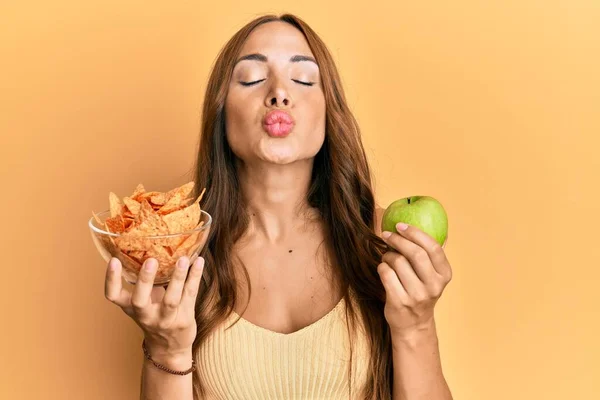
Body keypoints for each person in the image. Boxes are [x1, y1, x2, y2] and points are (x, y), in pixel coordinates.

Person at [104, 13, 454, 400]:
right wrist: (165, 347)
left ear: (328, 110)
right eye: (252, 78)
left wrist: (416, 326)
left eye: (303, 80)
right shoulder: (181, 252)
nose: (279, 93)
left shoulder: (384, 242)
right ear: (221, 114)